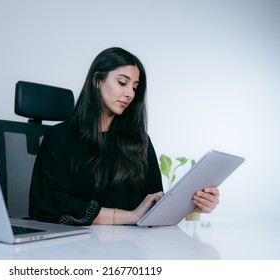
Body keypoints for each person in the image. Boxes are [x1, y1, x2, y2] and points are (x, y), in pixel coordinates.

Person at [28, 47, 219, 226]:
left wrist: (191, 205)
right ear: (97, 80)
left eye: (135, 87)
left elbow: (152, 202)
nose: (129, 94)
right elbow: (52, 203)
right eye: (122, 83)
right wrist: (129, 216)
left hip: (132, 247)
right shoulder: (59, 138)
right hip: (78, 247)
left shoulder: (139, 141)